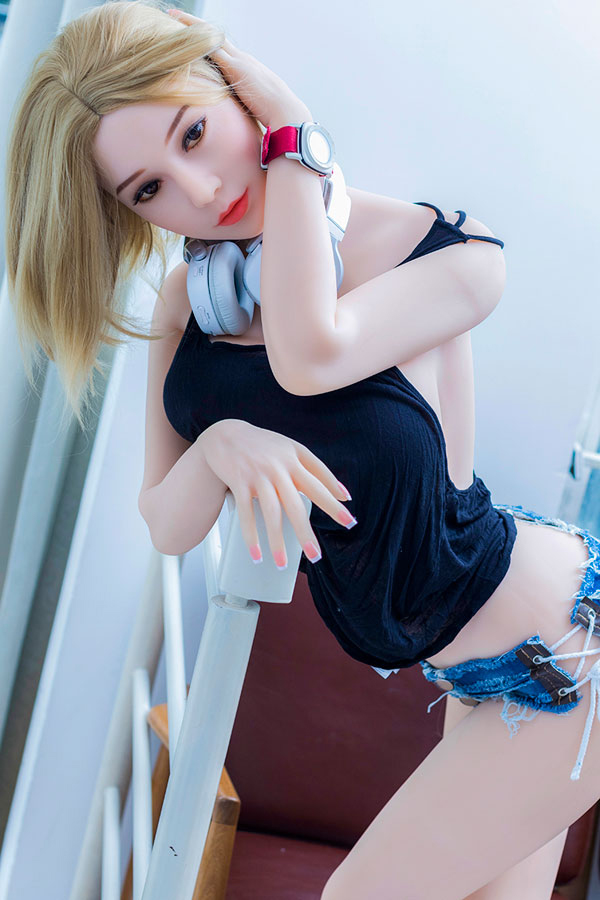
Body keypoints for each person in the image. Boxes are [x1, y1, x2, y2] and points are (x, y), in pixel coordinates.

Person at [5, 2, 600, 898]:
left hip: (569, 646)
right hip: (482, 677)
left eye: (195, 133)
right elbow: (167, 522)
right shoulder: (189, 305)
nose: (199, 190)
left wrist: (296, 140)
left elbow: (311, 354)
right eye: (148, 190)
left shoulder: (441, 250)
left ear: (241, 90)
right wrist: (221, 446)